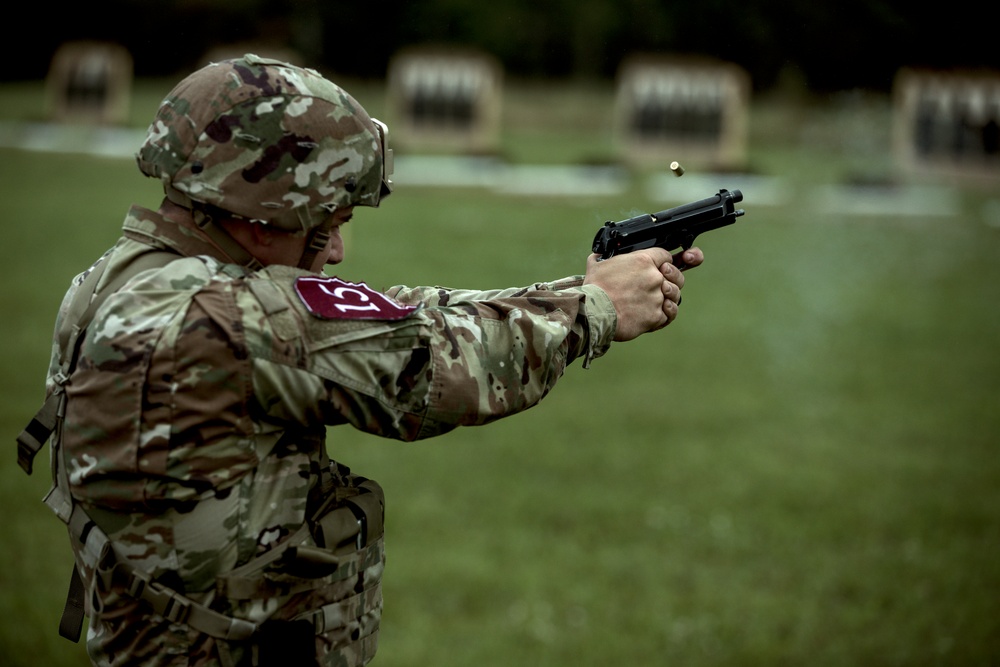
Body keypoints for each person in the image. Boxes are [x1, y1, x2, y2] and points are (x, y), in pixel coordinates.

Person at [16, 54, 704, 667]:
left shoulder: (121, 277)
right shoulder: (231, 318)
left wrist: (574, 288)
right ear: (261, 214)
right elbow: (441, 360)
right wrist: (597, 311)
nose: (338, 248)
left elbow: (384, 314)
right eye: (330, 220)